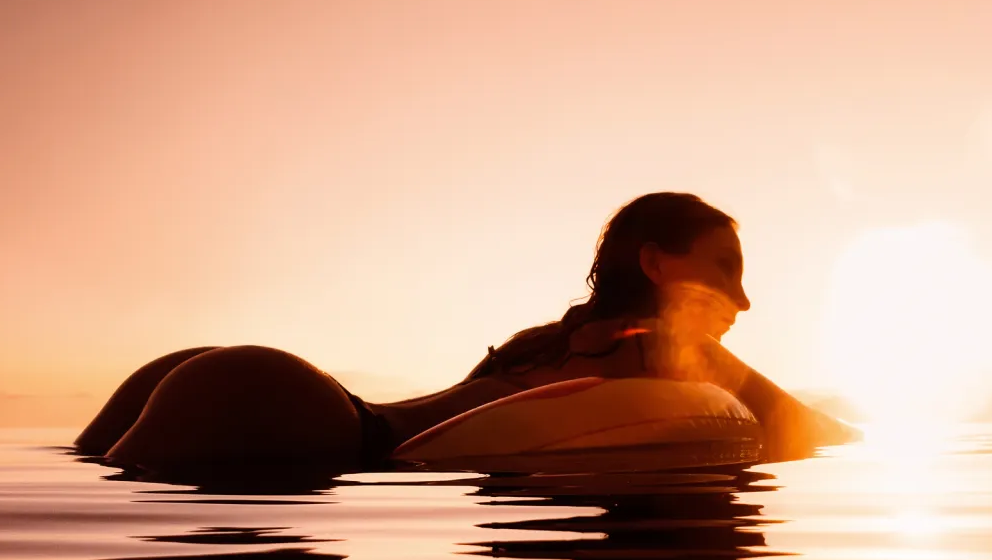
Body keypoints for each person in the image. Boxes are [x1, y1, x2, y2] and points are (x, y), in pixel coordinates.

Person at [76, 192, 857, 470]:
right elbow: (814, 432)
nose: (743, 299)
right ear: (656, 264)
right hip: (298, 422)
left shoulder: (539, 340)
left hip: (264, 384)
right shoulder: (677, 356)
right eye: (725, 268)